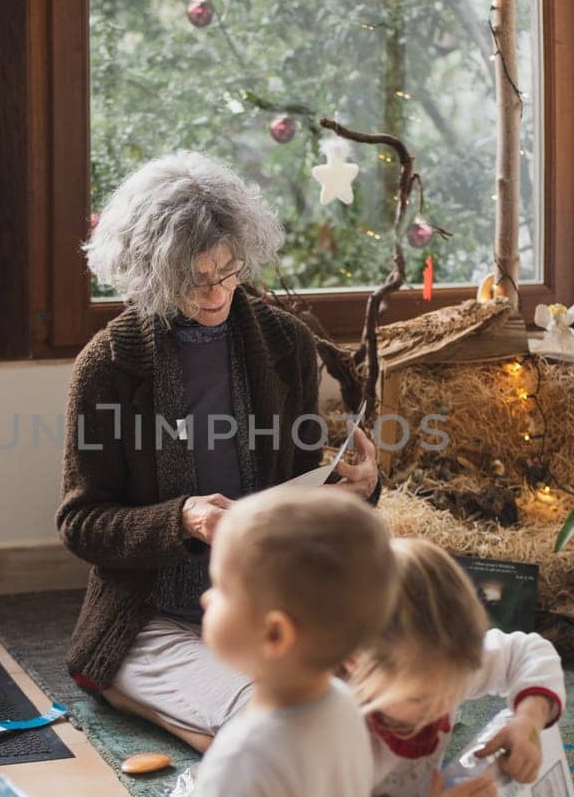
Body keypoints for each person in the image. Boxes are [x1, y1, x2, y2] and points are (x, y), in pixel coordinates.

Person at [57, 151, 379, 752]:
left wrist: (353, 491)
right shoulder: (107, 366)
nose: (215, 294)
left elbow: (302, 485)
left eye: (228, 272)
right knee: (278, 730)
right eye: (193, 280)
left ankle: (194, 719)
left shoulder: (283, 343)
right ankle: (148, 695)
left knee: (391, 704)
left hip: (269, 609)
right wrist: (182, 519)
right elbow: (81, 525)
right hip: (152, 617)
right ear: (150, 271)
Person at [121, 489, 395, 797]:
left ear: (275, 634)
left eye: (223, 589)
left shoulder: (245, 750)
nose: (207, 597)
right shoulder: (345, 709)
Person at [346, 537, 567, 797]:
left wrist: (528, 721)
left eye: (452, 690)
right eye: (420, 700)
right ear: (356, 663)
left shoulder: (438, 659)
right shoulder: (326, 730)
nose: (441, 708)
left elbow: (529, 651)